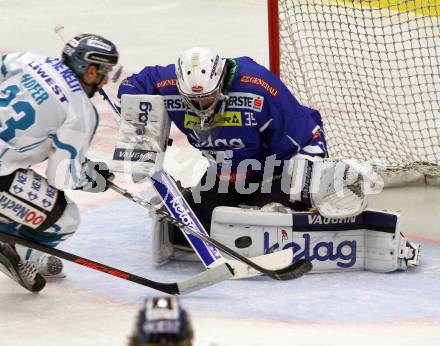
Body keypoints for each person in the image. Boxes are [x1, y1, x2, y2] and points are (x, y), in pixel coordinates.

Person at [117, 47, 328, 250]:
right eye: (192, 99)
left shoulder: (258, 86)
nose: (201, 106)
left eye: (207, 96)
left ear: (221, 82)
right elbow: (134, 84)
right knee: (182, 228)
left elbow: (309, 137)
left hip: (274, 172)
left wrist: (303, 188)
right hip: (228, 174)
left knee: (271, 220)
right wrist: (133, 116)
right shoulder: (169, 83)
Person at [0, 33, 119, 292]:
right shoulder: (81, 111)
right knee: (66, 218)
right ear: (89, 70)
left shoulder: (30, 59)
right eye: (104, 71)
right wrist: (91, 179)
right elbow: (62, 176)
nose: (106, 79)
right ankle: (19, 250)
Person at [128, 296, 193, 346]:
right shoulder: (179, 336)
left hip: (151, 338)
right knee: (182, 335)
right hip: (173, 337)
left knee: (143, 336)